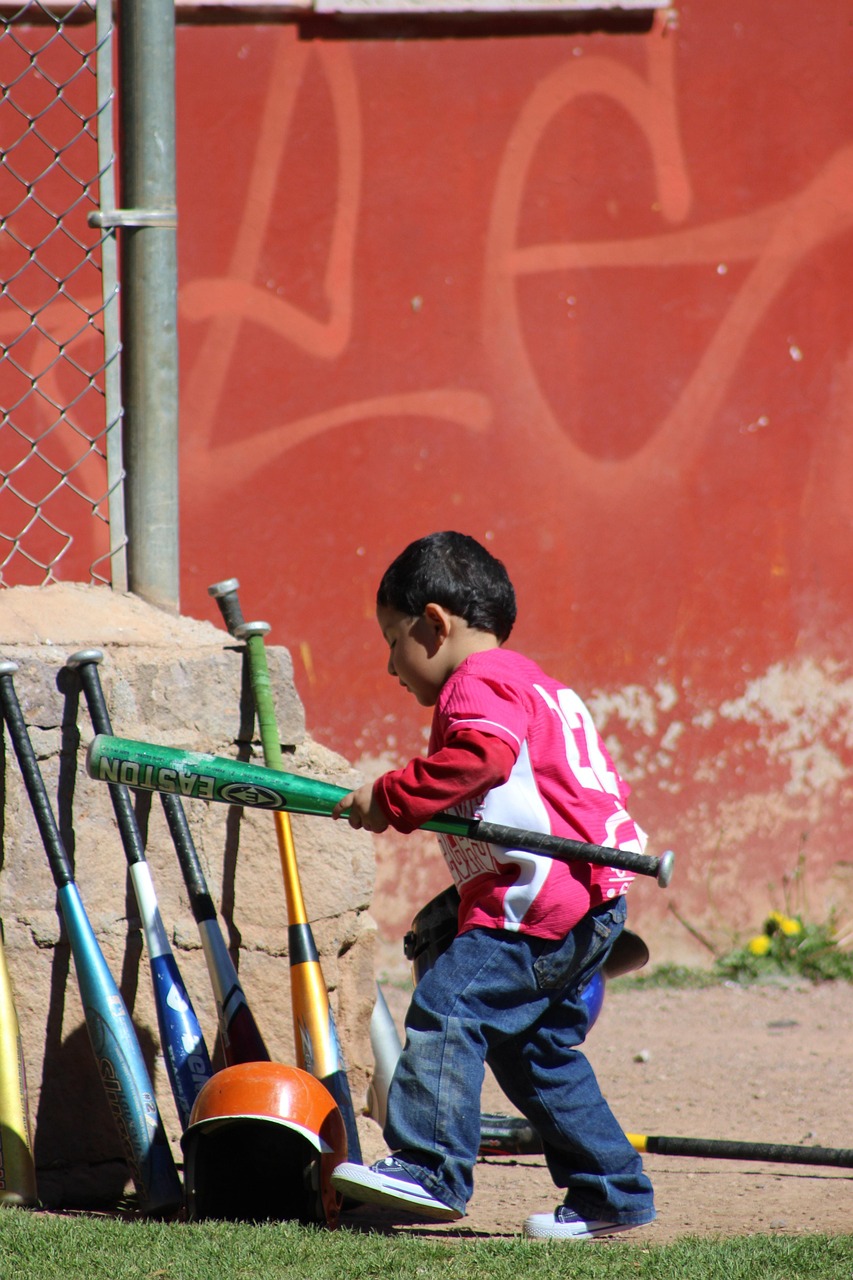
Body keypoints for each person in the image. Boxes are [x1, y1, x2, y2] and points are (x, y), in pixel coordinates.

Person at [330, 531, 655, 1241]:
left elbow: (479, 755)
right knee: (535, 1052)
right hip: (589, 900)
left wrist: (394, 794)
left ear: (435, 623)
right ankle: (610, 1191)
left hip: (533, 907)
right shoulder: (537, 685)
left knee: (448, 1009)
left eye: (392, 639)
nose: (389, 663)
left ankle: (429, 1168)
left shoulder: (475, 683)